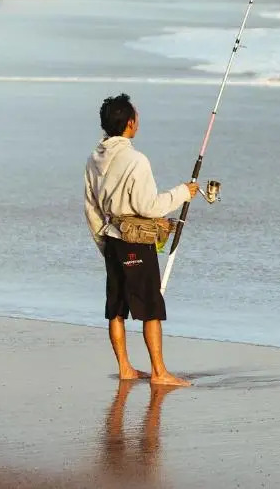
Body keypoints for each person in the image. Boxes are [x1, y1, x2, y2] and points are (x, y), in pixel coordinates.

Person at [83, 93, 198, 387]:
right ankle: (159, 373)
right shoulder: (136, 160)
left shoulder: (93, 159)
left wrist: (104, 243)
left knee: (116, 308)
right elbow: (148, 207)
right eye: (136, 118)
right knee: (150, 308)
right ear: (130, 123)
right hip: (135, 242)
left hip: (111, 239)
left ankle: (125, 368)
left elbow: (91, 208)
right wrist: (183, 192)